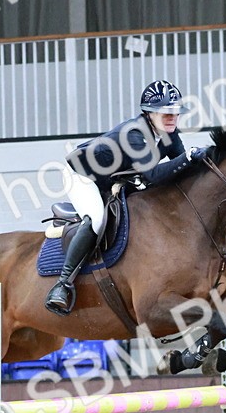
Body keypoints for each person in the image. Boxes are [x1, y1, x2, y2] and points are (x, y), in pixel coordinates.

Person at [45, 79, 206, 315]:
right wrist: (188, 158)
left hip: (113, 177)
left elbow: (180, 168)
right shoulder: (134, 134)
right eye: (165, 113)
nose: (172, 117)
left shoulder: (169, 134)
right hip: (82, 176)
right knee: (97, 219)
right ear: (149, 114)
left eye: (175, 112)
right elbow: (152, 175)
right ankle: (62, 284)